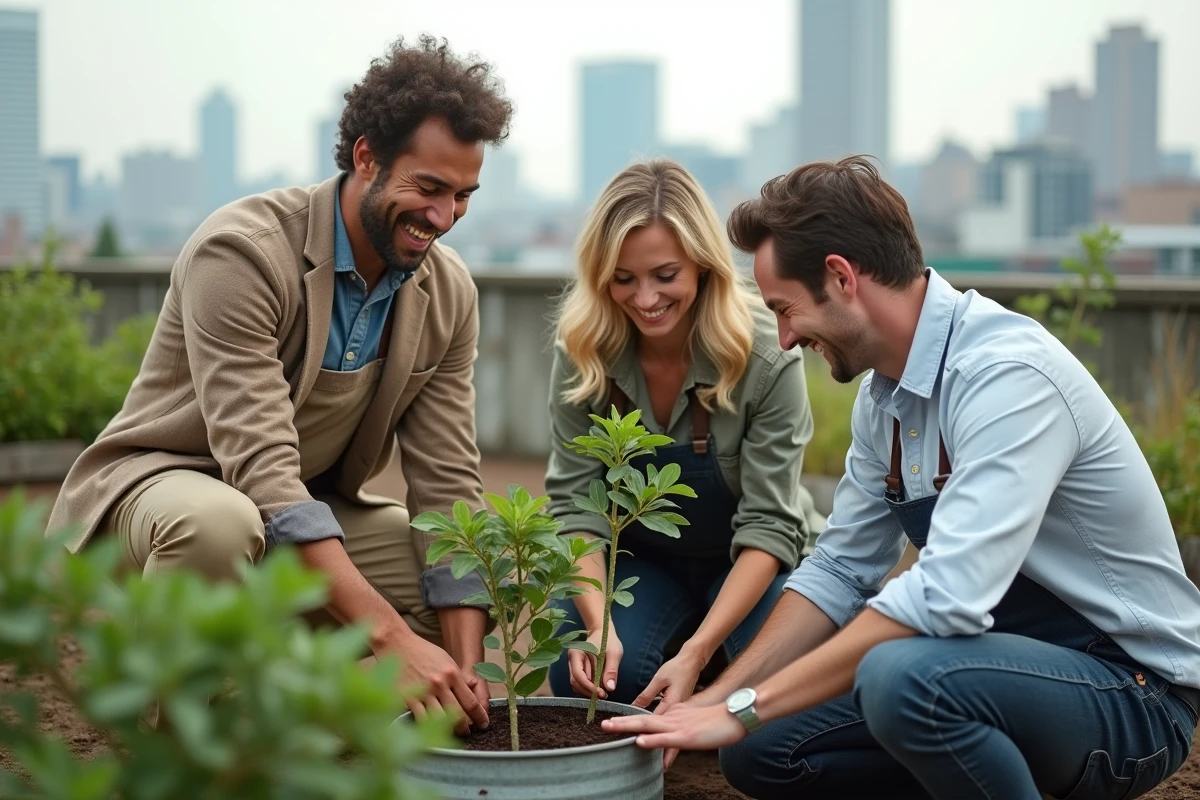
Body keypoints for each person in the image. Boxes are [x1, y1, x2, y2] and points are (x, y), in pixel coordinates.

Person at [602, 155, 1200, 800]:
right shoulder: (883, 400)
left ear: (840, 276)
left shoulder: (1007, 378)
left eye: (786, 309)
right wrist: (724, 698)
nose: (784, 336)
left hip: (1129, 693)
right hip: (990, 673)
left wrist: (745, 705)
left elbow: (944, 598)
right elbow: (838, 570)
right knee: (765, 753)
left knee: (902, 677)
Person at [46, 35, 514, 735]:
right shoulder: (241, 251)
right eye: (429, 188)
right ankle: (174, 739)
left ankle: (274, 717)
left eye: (463, 196)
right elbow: (262, 473)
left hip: (305, 515)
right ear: (366, 158)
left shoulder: (448, 294)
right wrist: (391, 642)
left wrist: (460, 668)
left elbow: (449, 490)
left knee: (429, 557)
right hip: (163, 496)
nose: (444, 218)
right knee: (218, 523)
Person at [543, 159, 826, 712]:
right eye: (623, 279)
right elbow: (577, 509)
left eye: (664, 275)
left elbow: (769, 527)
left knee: (783, 688)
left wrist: (699, 650)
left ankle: (703, 657)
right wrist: (601, 628)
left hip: (750, 562)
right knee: (592, 682)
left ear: (702, 265)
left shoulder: (767, 357)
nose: (645, 298)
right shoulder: (582, 355)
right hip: (643, 566)